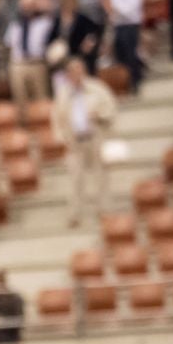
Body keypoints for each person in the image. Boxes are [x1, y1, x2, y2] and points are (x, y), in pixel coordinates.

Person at [53, 57, 116, 227]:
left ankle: (104, 210)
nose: (77, 74)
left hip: (95, 138)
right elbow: (57, 118)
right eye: (73, 71)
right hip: (74, 141)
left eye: (79, 69)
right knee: (75, 179)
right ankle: (75, 214)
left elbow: (110, 108)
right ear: (68, 75)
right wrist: (61, 138)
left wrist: (99, 114)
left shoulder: (97, 88)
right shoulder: (63, 93)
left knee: (100, 175)